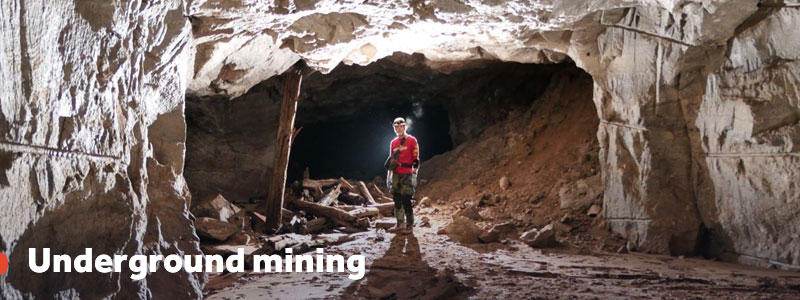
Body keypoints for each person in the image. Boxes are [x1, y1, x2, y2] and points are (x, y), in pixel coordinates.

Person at [387, 117, 419, 233]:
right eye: (396, 127)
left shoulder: (411, 140)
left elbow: (416, 158)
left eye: (401, 126)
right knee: (397, 199)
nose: (398, 129)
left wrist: (415, 173)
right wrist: (389, 176)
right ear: (394, 128)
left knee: (406, 199)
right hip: (396, 173)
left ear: (405, 127)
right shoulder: (393, 142)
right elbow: (391, 160)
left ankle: (409, 226)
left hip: (407, 173)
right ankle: (400, 223)